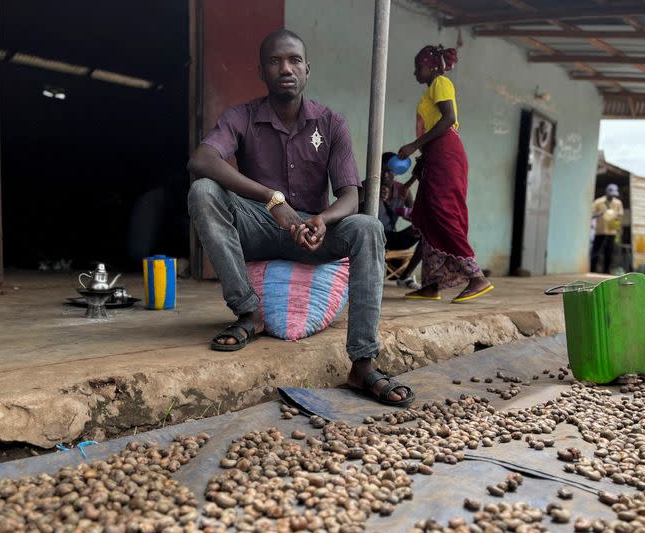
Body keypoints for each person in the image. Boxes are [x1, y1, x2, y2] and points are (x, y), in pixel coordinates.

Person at [186, 29, 414, 407]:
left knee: (368, 227)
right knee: (203, 191)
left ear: (308, 70)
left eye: (294, 61)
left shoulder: (330, 123)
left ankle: (362, 362)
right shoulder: (242, 117)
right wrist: (271, 200)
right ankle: (247, 313)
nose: (285, 68)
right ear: (261, 71)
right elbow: (202, 160)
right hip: (258, 224)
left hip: (314, 234)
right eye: (275, 61)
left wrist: (323, 220)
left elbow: (351, 195)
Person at [397, 45, 493, 303]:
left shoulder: (441, 82)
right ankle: (431, 284)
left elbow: (448, 118)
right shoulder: (431, 90)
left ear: (433, 66)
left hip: (447, 154)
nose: (416, 71)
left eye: (419, 66)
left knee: (443, 212)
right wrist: (418, 165)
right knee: (428, 216)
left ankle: (476, 277)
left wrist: (414, 145)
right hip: (434, 156)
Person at [360, 152, 420, 289]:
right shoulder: (366, 186)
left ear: (396, 171)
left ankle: (405, 276)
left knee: (424, 230)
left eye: (389, 170)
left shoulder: (402, 190)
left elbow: (416, 217)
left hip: (390, 237)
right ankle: (372, 275)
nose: (385, 174)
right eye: (382, 170)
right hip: (368, 237)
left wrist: (406, 212)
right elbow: (353, 210)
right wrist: (372, 195)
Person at [591, 183, 624, 274]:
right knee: (596, 253)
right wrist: (600, 214)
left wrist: (617, 225)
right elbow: (592, 214)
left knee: (609, 253)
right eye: (611, 194)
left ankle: (606, 272)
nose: (612, 197)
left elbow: (620, 216)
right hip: (600, 232)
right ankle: (592, 270)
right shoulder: (598, 202)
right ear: (607, 192)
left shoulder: (618, 203)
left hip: (612, 232)